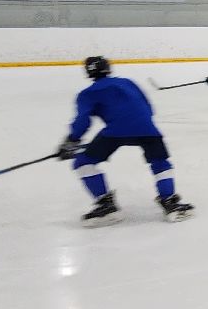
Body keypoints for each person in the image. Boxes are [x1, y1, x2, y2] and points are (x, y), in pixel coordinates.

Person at [59, 56, 193, 225]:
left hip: (114, 131)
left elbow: (82, 121)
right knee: (160, 162)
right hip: (147, 128)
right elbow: (148, 108)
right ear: (108, 68)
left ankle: (106, 205)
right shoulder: (128, 82)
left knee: (83, 162)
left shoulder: (87, 94)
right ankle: (170, 202)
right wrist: (138, 125)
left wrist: (71, 141)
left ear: (88, 72)